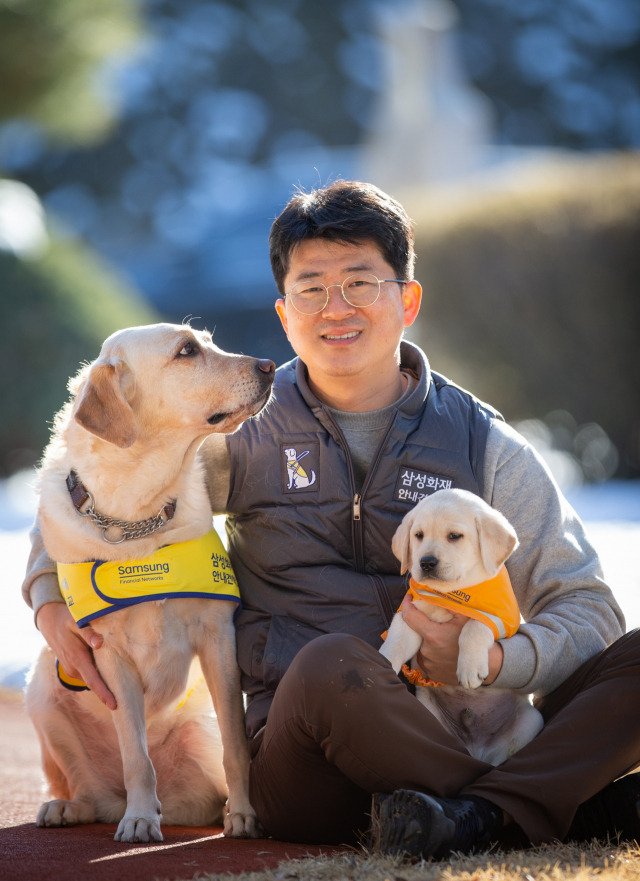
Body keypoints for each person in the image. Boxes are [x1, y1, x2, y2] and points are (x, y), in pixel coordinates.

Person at [23, 180, 640, 859]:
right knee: (332, 662)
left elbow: (588, 612)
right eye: (312, 288)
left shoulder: (484, 445)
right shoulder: (239, 430)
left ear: (406, 300)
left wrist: (499, 659)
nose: (335, 308)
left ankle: (475, 815)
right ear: (286, 315)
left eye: (360, 283)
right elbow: (98, 485)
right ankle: (560, 801)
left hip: (462, 716)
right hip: (307, 748)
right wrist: (48, 592)